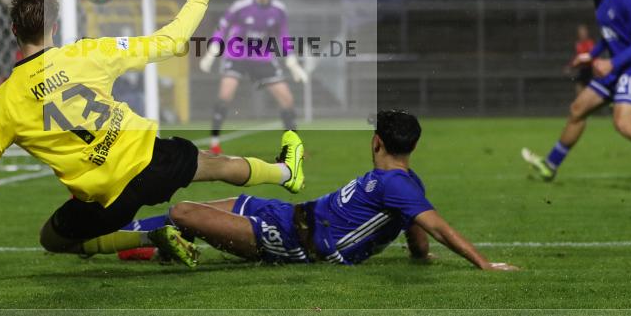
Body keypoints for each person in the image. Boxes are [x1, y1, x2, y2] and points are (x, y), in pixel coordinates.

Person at [0, 0, 306, 261]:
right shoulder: (89, 51)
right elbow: (171, 40)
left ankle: (149, 237)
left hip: (108, 200)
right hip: (151, 159)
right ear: (54, 26)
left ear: (13, 30)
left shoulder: (2, 101)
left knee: (53, 239)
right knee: (216, 166)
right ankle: (287, 172)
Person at [115, 110, 518, 271]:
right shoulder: (406, 184)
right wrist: (419, 254)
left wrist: (483, 264)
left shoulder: (396, 184)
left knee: (183, 212)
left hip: (296, 241)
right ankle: (118, 237)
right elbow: (417, 226)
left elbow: (437, 226)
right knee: (207, 208)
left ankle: (144, 240)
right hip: (289, 215)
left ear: (376, 141)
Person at [522, 0, 631, 181]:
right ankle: (550, 166)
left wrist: (612, 62)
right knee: (578, 109)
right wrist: (590, 55)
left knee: (623, 124)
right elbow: (609, 36)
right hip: (614, 68)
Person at [199, 0, 308, 154]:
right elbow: (222, 26)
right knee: (225, 96)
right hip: (237, 55)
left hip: (263, 57)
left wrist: (292, 63)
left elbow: (283, 36)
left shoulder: (278, 10)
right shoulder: (241, 7)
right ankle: (214, 144)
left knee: (287, 99)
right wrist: (212, 51)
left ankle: (293, 146)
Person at [566, 24, 595, 95]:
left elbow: (591, 56)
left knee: (589, 93)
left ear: (587, 33)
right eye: (581, 33)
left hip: (590, 71)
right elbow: (576, 57)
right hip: (582, 71)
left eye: (584, 32)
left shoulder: (590, 43)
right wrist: (570, 66)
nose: (582, 34)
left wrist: (580, 59)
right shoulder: (578, 44)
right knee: (578, 90)